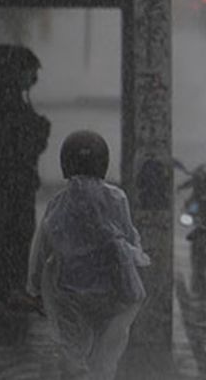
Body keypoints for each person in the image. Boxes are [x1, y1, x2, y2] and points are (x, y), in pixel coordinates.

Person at [27, 130, 150, 380]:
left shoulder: (58, 203)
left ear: (65, 163)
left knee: (73, 360)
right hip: (112, 295)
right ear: (103, 163)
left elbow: (42, 249)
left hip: (70, 295)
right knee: (105, 362)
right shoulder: (117, 198)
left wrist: (35, 289)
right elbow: (129, 238)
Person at [0, 44, 51, 304]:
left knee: (17, 235)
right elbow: (13, 143)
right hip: (8, 184)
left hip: (16, 182)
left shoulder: (13, 101)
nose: (34, 78)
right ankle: (6, 289)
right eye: (29, 72)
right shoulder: (3, 103)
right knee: (11, 235)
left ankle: (9, 288)